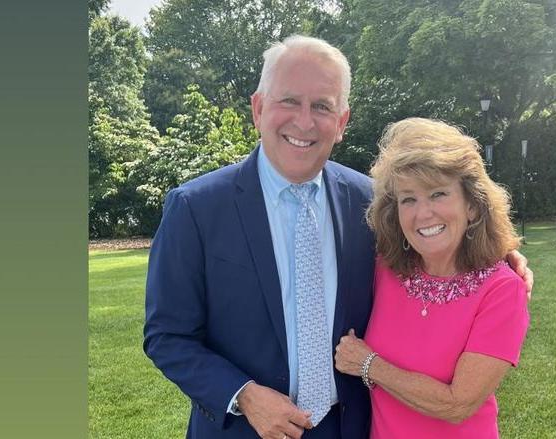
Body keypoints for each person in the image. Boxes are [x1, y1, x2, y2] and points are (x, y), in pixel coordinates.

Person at [144, 36, 533, 439]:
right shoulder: (195, 207)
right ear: (258, 109)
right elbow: (167, 337)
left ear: (342, 122)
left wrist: (501, 257)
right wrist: (243, 395)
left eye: (322, 106)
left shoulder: (368, 201)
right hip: (243, 430)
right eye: (289, 101)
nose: (305, 121)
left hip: (348, 427)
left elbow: (433, 240)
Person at [334, 117, 530, 438]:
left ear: (472, 206)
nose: (423, 213)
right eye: (408, 198)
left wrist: (369, 364)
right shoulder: (384, 269)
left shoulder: (502, 290)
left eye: (438, 194)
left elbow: (458, 404)